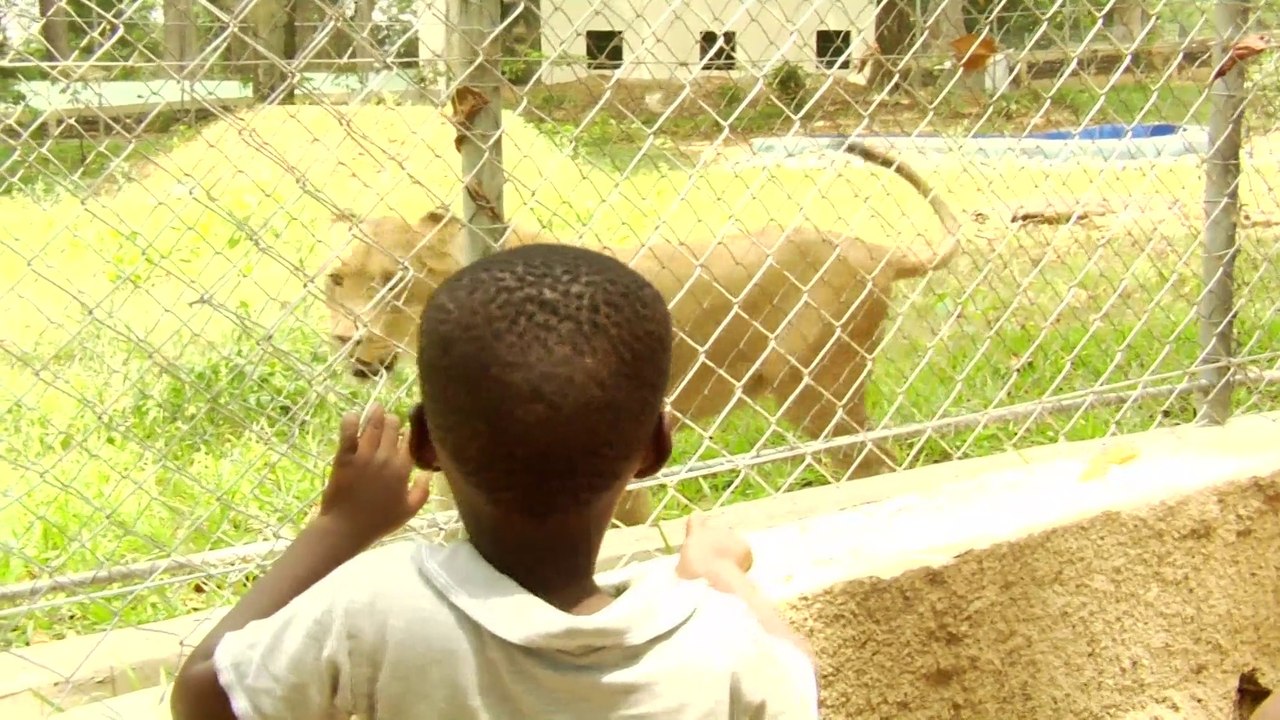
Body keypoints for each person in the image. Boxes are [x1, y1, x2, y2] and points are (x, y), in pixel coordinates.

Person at [169, 243, 820, 720]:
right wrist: (721, 575)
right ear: (655, 448)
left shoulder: (381, 610)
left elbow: (201, 697)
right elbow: (796, 678)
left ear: (424, 443)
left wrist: (340, 528)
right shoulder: (716, 642)